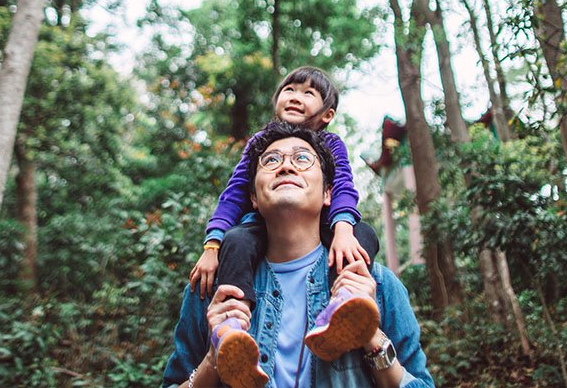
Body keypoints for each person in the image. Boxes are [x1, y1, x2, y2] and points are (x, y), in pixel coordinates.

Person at [163, 122, 435, 388]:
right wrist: (213, 360)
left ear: (328, 192)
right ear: (254, 198)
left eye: (302, 158)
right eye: (270, 161)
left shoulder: (377, 285)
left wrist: (371, 335)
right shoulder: (213, 290)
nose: (286, 166)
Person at [188, 67, 382, 365]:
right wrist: (212, 245)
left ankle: (344, 305)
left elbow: (343, 185)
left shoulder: (331, 145)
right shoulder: (260, 143)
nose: (295, 96)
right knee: (236, 239)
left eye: (308, 93)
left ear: (327, 115)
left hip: (323, 223)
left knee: (362, 234)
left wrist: (343, 227)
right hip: (261, 225)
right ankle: (231, 327)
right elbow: (234, 193)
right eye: (289, 90)